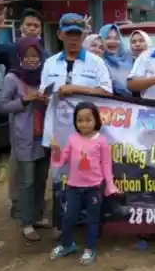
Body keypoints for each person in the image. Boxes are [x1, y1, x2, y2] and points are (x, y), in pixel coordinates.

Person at [39, 13, 113, 237]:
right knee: (61, 180)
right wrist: (44, 96)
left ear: (83, 35)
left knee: (89, 177)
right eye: (69, 34)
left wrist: (77, 89)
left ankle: (90, 226)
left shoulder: (96, 62)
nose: (73, 39)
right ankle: (63, 226)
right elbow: (44, 92)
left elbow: (107, 91)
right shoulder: (51, 63)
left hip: (88, 136)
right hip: (57, 133)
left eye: (77, 34)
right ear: (60, 34)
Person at [0, 7, 46, 220]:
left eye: (36, 26)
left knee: (38, 168)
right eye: (28, 25)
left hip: (40, 118)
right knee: (19, 164)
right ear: (21, 27)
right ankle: (18, 204)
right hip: (20, 115)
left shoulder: (43, 52)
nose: (32, 29)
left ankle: (35, 209)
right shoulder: (11, 50)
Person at [49, 102, 120, 265]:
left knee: (92, 220)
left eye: (88, 119)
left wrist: (110, 185)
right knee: (68, 217)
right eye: (80, 120)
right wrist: (56, 150)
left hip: (94, 188)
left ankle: (90, 248)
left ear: (96, 120)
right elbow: (61, 161)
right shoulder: (72, 139)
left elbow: (106, 165)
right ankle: (67, 245)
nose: (84, 123)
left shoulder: (102, 141)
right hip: (73, 187)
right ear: (75, 122)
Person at [0, 38, 50, 242]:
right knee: (26, 181)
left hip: (43, 136)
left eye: (35, 56)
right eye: (27, 56)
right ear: (19, 57)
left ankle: (37, 216)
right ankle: (26, 223)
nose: (32, 60)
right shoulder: (13, 78)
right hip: (24, 137)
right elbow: (1, 106)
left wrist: (45, 99)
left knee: (40, 179)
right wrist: (24, 100)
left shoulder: (43, 75)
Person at [98, 23, 134, 97]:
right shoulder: (98, 60)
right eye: (108, 38)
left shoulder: (129, 57)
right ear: (101, 41)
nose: (113, 41)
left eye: (116, 38)